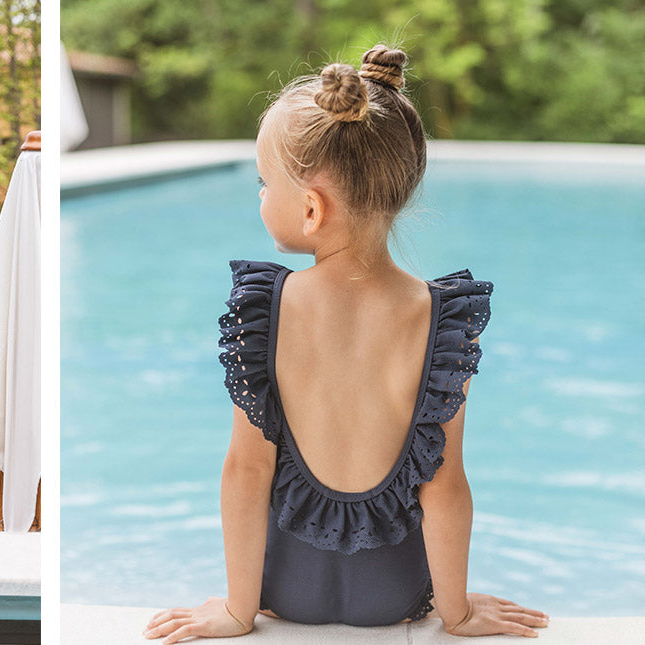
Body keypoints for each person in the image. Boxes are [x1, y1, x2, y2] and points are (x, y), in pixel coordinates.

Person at [143, 45, 549, 641]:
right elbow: (445, 485)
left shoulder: (269, 311)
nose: (259, 196)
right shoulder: (440, 319)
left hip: (286, 590)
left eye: (264, 183)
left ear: (310, 209)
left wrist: (237, 609)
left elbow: (245, 472)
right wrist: (457, 611)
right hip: (396, 595)